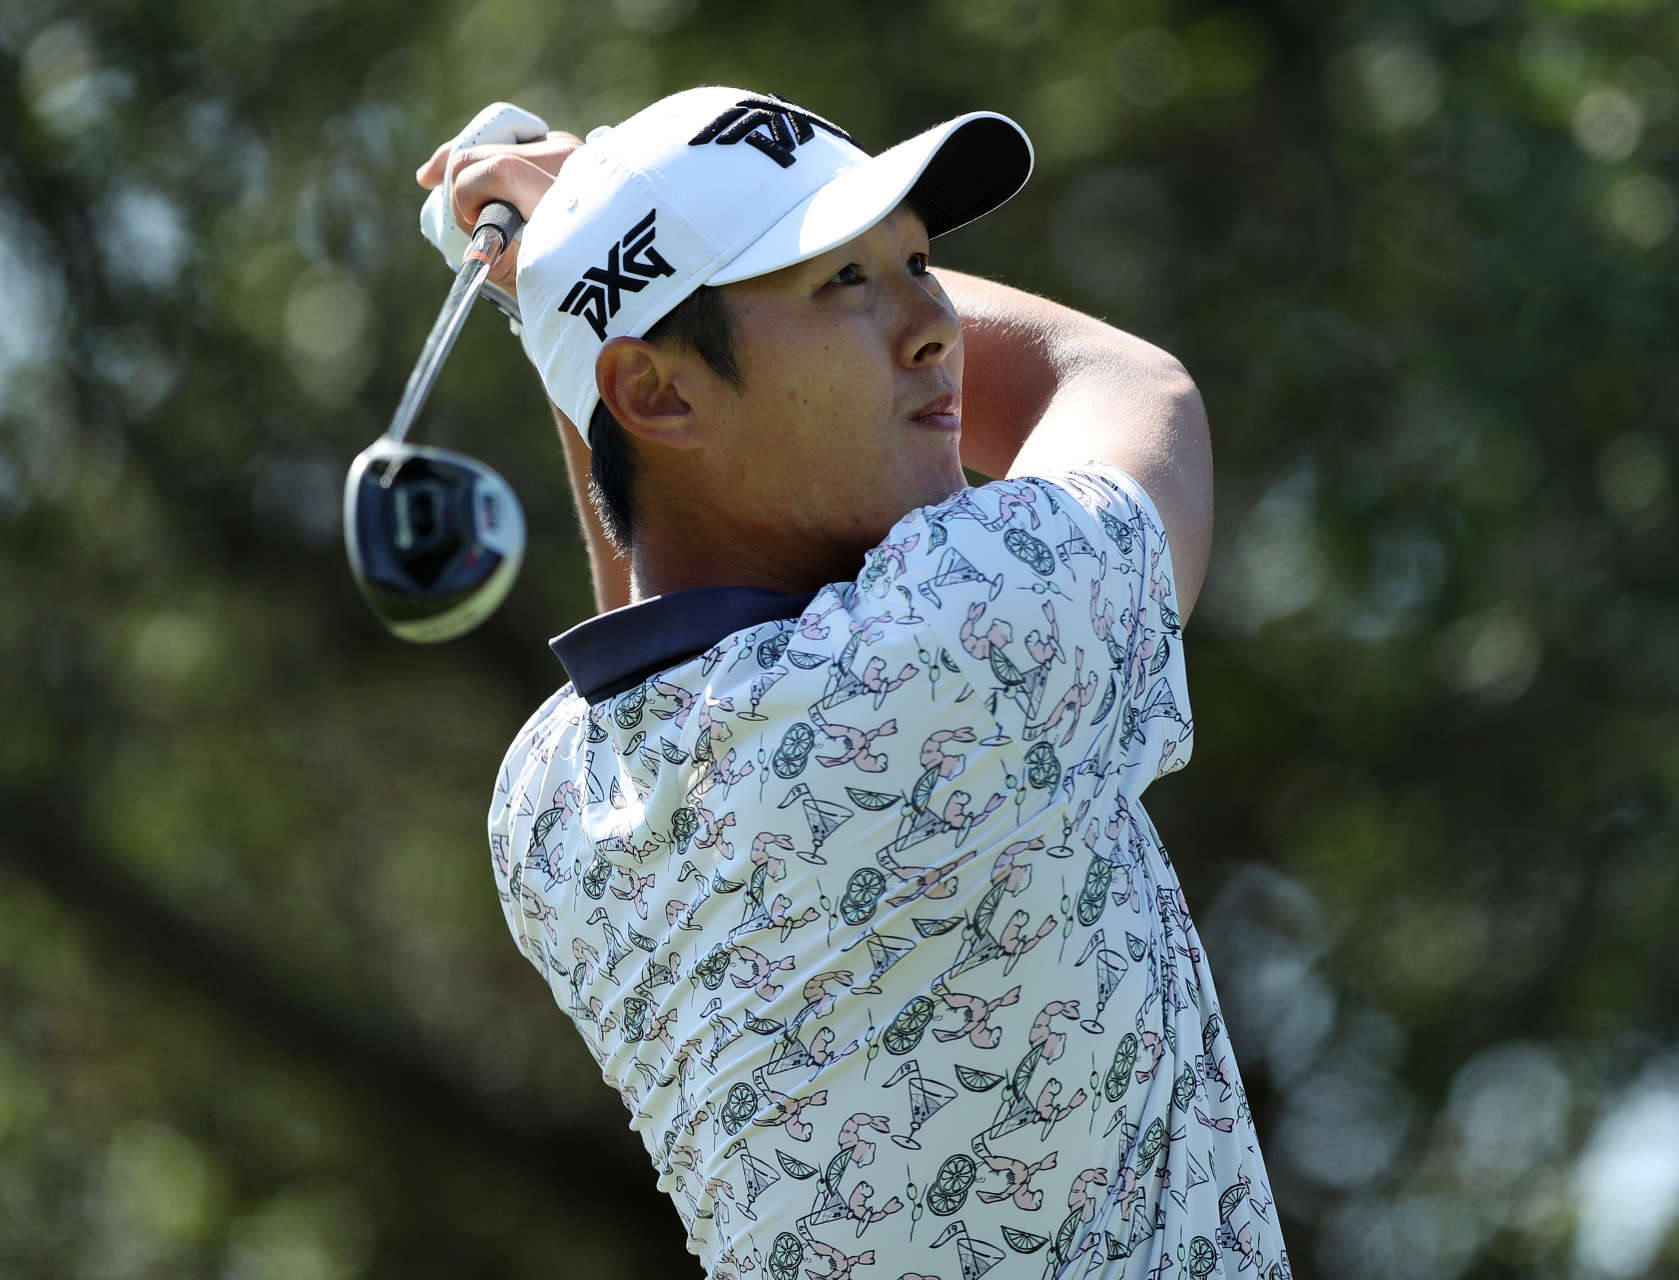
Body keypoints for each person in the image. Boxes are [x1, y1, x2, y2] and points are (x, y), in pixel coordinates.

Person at [418, 87, 1291, 1280]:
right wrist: (581, 253)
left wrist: (579, 288)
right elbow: (1116, 380)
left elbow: (652, 576)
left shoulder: (549, 810)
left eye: (920, 262)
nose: (935, 325)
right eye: (844, 278)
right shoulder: (960, 633)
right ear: (661, 390)